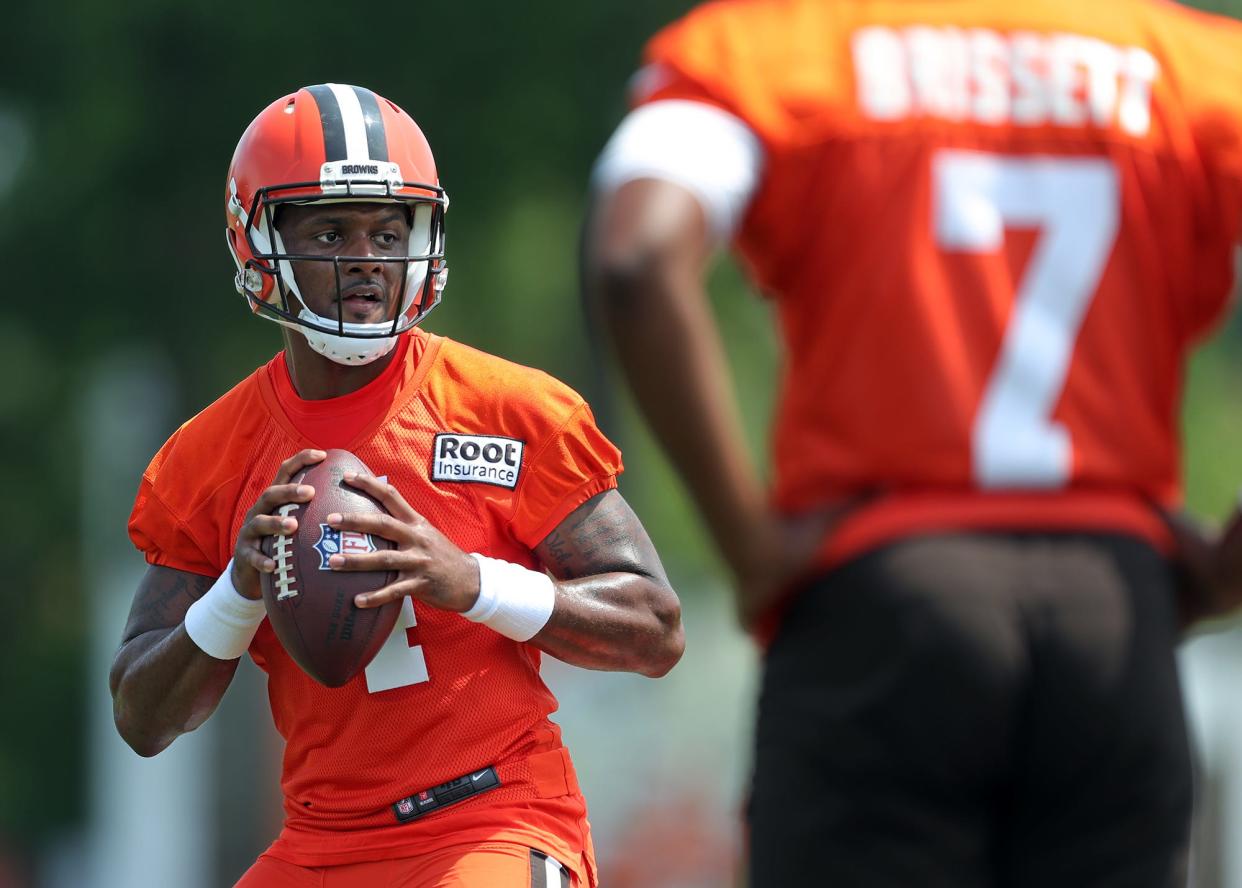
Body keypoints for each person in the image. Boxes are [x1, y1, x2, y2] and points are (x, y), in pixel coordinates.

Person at [582, 2, 1242, 885]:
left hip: (882, 606)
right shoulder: (1201, 71)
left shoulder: (777, 48)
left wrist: (751, 547)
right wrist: (1229, 563)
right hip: (1115, 619)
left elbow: (638, 258)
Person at [110, 83, 684, 888]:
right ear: (258, 242)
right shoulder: (208, 456)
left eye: (388, 230)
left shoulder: (508, 410)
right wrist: (237, 592)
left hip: (492, 818)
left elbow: (654, 627)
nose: (367, 259)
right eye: (330, 231)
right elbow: (141, 716)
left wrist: (469, 581)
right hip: (317, 840)